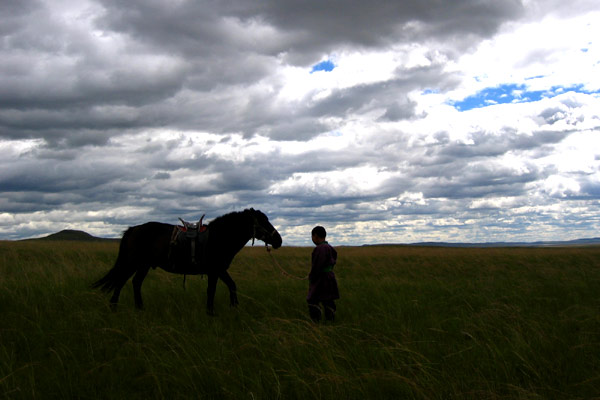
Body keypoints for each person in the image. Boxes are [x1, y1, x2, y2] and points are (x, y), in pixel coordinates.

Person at [307, 226, 339, 322]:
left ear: (315, 236)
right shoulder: (329, 247)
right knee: (328, 300)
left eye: (312, 236)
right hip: (330, 277)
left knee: (312, 299)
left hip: (321, 279)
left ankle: (316, 321)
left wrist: (312, 276)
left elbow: (317, 265)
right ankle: (331, 321)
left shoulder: (320, 248)